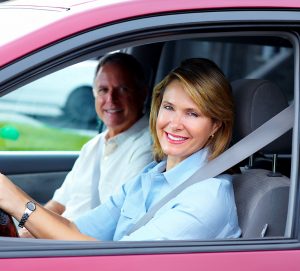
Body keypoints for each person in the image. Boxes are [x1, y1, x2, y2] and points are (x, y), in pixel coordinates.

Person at [0, 58, 241, 241]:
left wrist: (17, 202)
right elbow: (74, 231)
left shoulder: (206, 198)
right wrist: (14, 204)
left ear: (215, 125)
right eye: (169, 107)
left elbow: (118, 261)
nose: (174, 124)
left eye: (192, 113)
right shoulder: (149, 177)